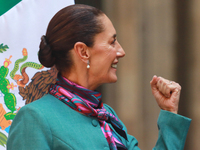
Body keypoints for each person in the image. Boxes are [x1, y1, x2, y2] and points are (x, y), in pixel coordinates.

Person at [7, 4, 191, 150]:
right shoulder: (34, 118)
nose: (121, 51)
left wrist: (169, 112)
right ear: (83, 51)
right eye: (112, 42)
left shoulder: (108, 117)